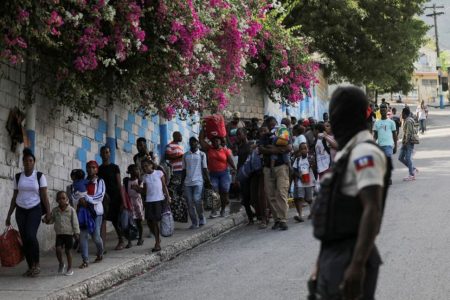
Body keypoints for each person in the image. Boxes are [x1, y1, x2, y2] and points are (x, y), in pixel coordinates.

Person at [311, 86, 391, 300]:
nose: (333, 122)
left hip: (351, 258)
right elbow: (333, 215)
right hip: (334, 256)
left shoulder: (365, 152)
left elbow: (372, 208)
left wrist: (357, 266)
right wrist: (319, 266)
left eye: (336, 114)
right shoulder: (348, 152)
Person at [5, 148, 51, 277]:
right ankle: (30, 267)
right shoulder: (18, 177)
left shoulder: (39, 176)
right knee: (24, 239)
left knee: (31, 236)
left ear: (34, 162)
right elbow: (14, 197)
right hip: (20, 210)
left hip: (34, 210)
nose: (28, 163)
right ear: (23, 162)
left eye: (30, 160)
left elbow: (44, 196)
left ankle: (36, 264)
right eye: (25, 161)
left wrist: (48, 212)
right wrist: (9, 215)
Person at [259, 116, 291, 231]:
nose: (273, 126)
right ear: (267, 126)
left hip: (281, 167)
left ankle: (283, 220)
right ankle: (277, 219)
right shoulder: (264, 136)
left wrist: (271, 149)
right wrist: (276, 150)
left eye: (274, 124)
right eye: (270, 125)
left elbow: (289, 147)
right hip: (268, 168)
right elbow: (261, 149)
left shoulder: (283, 133)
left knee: (281, 192)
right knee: (270, 195)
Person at [132, 159, 171, 252]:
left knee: (154, 221)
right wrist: (137, 189)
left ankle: (157, 243)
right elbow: (145, 191)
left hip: (158, 200)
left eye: (146, 166)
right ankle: (157, 237)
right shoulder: (144, 177)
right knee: (149, 222)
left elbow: (164, 186)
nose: (145, 168)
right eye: (143, 167)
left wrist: (168, 197)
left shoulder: (159, 173)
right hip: (149, 201)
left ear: (151, 165)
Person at [199, 130, 237, 218]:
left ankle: (223, 209)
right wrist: (204, 128)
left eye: (217, 140)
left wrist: (234, 169)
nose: (215, 142)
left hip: (224, 173)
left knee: (224, 192)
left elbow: (230, 160)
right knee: (214, 193)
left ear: (220, 141)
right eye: (213, 141)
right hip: (213, 174)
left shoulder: (225, 150)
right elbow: (201, 140)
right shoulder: (209, 149)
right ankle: (214, 210)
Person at [44, 191, 80, 276]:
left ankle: (70, 268)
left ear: (67, 199)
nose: (61, 200)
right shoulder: (55, 211)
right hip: (59, 234)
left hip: (68, 234)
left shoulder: (71, 210)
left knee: (68, 251)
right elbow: (52, 220)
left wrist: (76, 233)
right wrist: (46, 220)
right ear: (57, 200)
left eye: (63, 198)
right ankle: (61, 263)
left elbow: (75, 222)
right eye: (59, 199)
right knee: (58, 249)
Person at [77, 160, 105, 268]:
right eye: (89, 167)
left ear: (97, 169)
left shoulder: (100, 181)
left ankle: (100, 252)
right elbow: (77, 194)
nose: (91, 169)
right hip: (84, 212)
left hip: (96, 213)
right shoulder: (83, 181)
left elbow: (100, 196)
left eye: (93, 167)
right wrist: (80, 199)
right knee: (83, 236)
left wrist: (86, 199)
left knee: (96, 237)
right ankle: (85, 260)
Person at [98, 145, 126, 251]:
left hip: (115, 197)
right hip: (104, 198)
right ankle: (102, 246)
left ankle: (121, 240)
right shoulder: (99, 169)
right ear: (100, 154)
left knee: (115, 220)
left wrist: (123, 200)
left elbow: (119, 185)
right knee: (103, 220)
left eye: (107, 152)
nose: (105, 154)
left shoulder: (115, 167)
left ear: (110, 154)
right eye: (103, 152)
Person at [181, 137, 212, 229]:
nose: (194, 144)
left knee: (197, 199)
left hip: (198, 181)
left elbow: (205, 169)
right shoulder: (185, 155)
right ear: (189, 143)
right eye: (192, 142)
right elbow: (183, 170)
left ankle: (201, 218)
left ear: (198, 143)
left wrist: (208, 181)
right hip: (187, 183)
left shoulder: (202, 154)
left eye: (195, 142)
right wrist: (181, 184)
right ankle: (194, 222)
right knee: (189, 203)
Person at [235, 128, 257, 224]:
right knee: (245, 198)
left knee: (253, 196)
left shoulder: (251, 144)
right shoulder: (240, 146)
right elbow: (239, 162)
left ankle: (260, 213)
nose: (238, 136)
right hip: (243, 174)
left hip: (251, 174)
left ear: (245, 134)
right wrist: (237, 176)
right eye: (237, 135)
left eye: (239, 134)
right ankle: (250, 218)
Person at [292, 143, 315, 222]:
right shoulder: (298, 159)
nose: (303, 150)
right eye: (302, 149)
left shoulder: (310, 157)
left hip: (309, 181)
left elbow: (314, 168)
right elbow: (294, 170)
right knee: (300, 198)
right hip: (300, 181)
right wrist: (299, 176)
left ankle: (312, 212)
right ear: (299, 150)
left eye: (305, 148)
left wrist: (312, 164)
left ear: (308, 149)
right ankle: (300, 215)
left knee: (309, 199)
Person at [123, 164, 145, 246]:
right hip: (129, 202)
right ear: (130, 172)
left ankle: (140, 237)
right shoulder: (126, 181)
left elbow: (142, 192)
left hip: (137, 203)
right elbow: (124, 192)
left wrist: (137, 188)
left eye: (138, 170)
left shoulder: (139, 181)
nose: (137, 171)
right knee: (129, 223)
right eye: (135, 170)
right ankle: (129, 240)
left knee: (138, 222)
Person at [399, 107, 418, 181]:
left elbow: (409, 133)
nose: (401, 115)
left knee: (407, 158)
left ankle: (412, 174)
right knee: (400, 157)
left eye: (402, 113)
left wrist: (405, 143)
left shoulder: (409, 121)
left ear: (404, 113)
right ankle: (413, 169)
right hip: (405, 142)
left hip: (408, 143)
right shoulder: (406, 120)